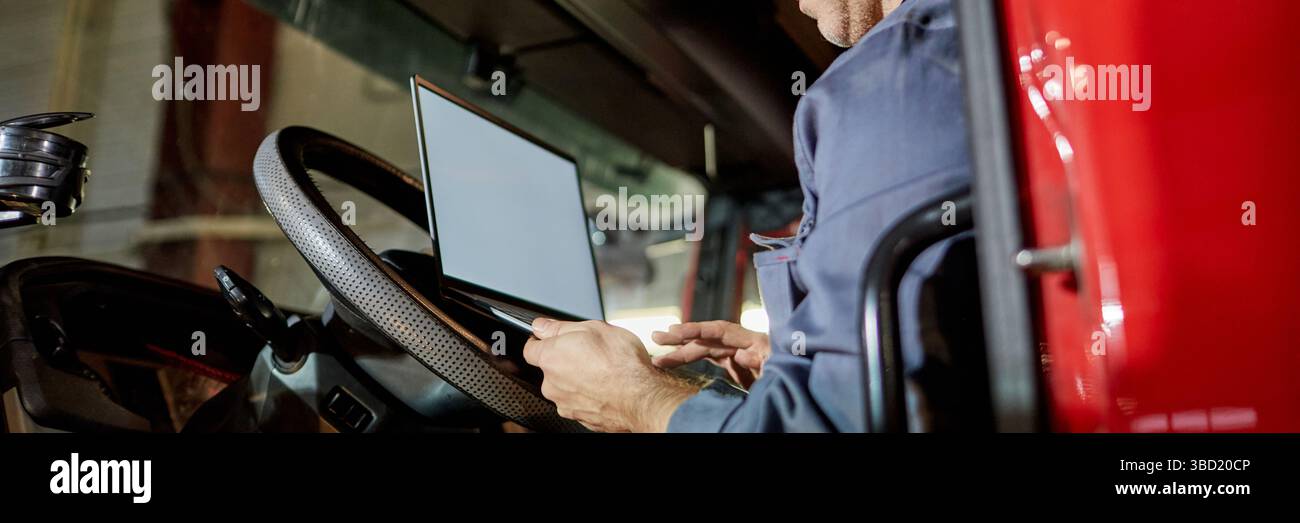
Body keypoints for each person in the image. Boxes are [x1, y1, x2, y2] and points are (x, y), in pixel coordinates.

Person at [522, 0, 971, 432]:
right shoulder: (957, 45)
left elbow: (843, 424)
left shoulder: (893, 78)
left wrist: (632, 395)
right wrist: (802, 367)